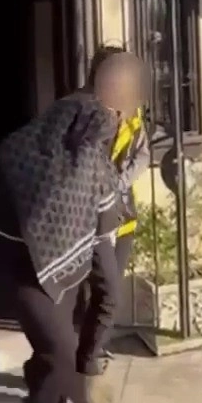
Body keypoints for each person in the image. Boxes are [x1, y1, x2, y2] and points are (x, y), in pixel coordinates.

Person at [0, 52, 144, 403]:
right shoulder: (74, 125)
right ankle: (54, 398)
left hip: (63, 265)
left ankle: (53, 397)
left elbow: (107, 282)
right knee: (58, 354)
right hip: (24, 266)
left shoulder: (88, 138)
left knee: (53, 363)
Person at [73, 46, 151, 377]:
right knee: (91, 290)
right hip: (85, 217)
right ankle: (82, 356)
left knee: (110, 289)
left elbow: (143, 154)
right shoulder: (79, 110)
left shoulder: (132, 111)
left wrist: (119, 182)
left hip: (121, 213)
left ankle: (94, 349)